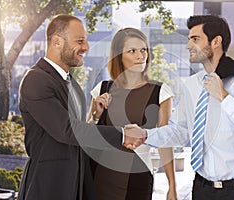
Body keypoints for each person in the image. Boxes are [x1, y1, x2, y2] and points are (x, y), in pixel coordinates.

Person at [124, 15, 234, 200]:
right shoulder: (193, 84)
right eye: (188, 39)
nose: (188, 46)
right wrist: (146, 135)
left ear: (216, 41)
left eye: (195, 39)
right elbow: (181, 131)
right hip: (201, 187)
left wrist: (224, 97)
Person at [17, 14, 143, 200]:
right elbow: (67, 130)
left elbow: (76, 134)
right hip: (48, 186)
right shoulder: (36, 79)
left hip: (75, 184)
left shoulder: (72, 83)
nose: (86, 47)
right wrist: (122, 135)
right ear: (57, 41)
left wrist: (94, 117)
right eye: (80, 41)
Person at [86, 28, 177, 200]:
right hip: (99, 175)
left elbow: (165, 140)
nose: (140, 56)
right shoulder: (102, 89)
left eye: (143, 49)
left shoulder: (160, 92)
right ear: (119, 56)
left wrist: (172, 185)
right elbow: (86, 137)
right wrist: (96, 116)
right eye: (132, 51)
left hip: (138, 175)